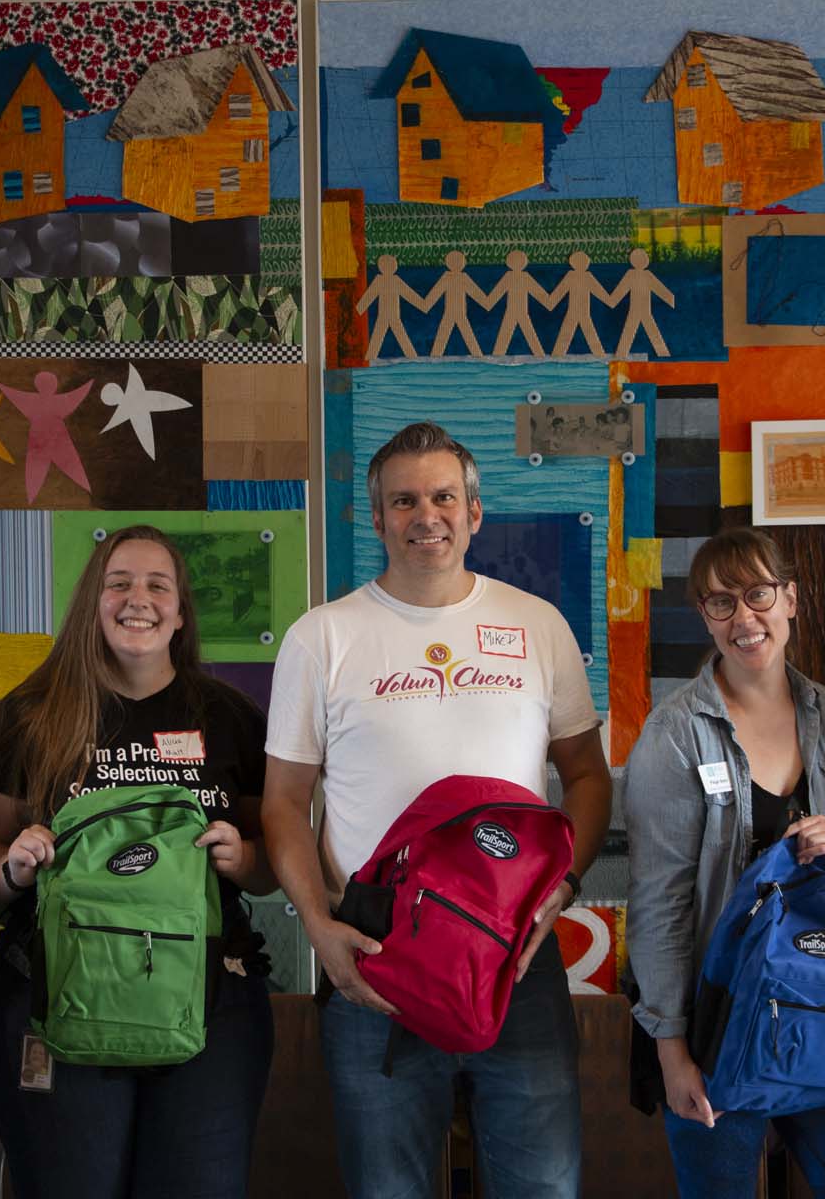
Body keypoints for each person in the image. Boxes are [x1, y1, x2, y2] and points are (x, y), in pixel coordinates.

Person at [261, 421, 612, 1199]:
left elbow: (587, 778)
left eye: (444, 496)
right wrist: (318, 927)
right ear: (378, 517)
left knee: (544, 1188)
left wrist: (562, 890)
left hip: (516, 942)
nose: (428, 515)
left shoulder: (537, 625)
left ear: (474, 512)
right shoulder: (323, 637)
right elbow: (284, 804)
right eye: (405, 500)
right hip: (373, 950)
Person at [0, 525, 276, 1199]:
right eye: (119, 583)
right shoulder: (31, 715)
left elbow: (275, 866)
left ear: (182, 612)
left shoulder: (232, 719)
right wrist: (10, 868)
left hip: (208, 1001)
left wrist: (243, 857)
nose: (140, 599)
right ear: (90, 603)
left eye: (159, 585)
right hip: (57, 998)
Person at [623, 526, 825, 1198]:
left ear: (791, 599)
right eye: (720, 603)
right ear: (704, 616)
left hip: (820, 1009)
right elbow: (659, 904)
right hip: (711, 1021)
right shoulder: (673, 734)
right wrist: (672, 1052)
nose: (743, 617)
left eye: (757, 594)